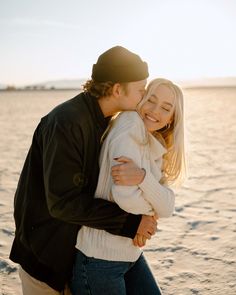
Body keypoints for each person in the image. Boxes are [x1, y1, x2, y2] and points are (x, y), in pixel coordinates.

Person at [9, 46, 158, 294]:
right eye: (141, 91)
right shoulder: (66, 122)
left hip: (83, 251)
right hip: (46, 259)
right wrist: (131, 223)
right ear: (118, 89)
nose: (144, 98)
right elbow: (63, 202)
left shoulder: (109, 121)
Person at [70, 78, 186, 295]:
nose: (154, 110)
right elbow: (126, 197)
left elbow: (168, 207)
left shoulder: (153, 144)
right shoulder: (130, 123)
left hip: (131, 255)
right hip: (99, 260)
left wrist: (142, 178)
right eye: (151, 100)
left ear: (172, 118)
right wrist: (151, 213)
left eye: (165, 108)